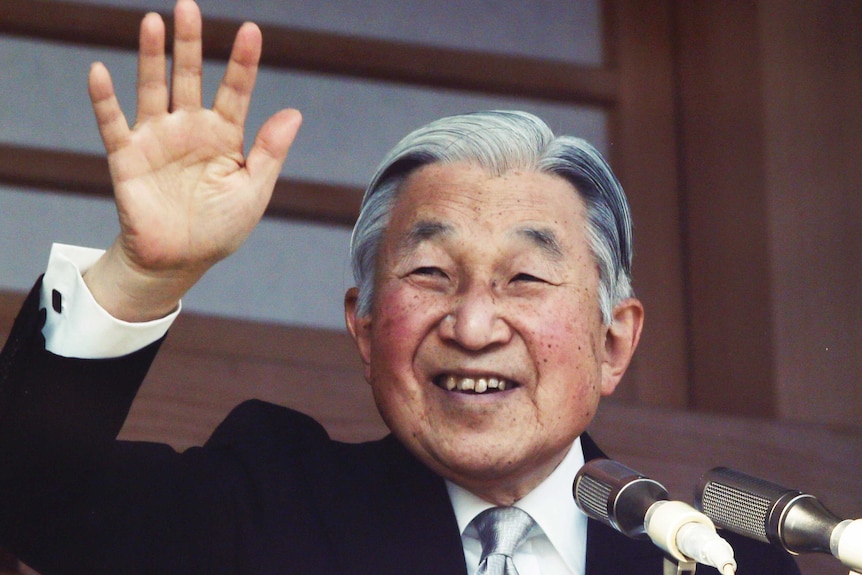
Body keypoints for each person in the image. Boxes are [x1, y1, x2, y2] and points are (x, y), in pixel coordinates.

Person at [0, 1, 800, 574]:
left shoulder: (710, 555)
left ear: (613, 339)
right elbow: (28, 494)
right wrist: (144, 273)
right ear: (364, 325)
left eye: (523, 277)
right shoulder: (266, 503)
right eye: (429, 273)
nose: (476, 323)